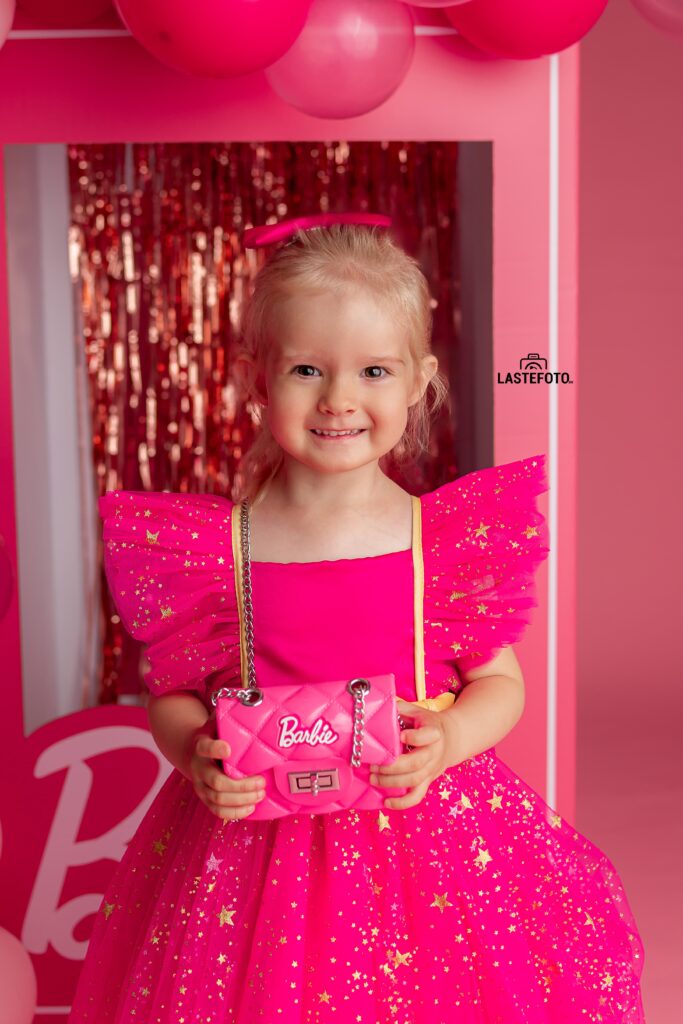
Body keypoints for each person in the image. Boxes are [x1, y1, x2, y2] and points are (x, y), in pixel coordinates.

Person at [68, 215, 645, 1023]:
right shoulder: (217, 550)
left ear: (417, 382)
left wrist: (448, 738)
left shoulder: (437, 544)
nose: (339, 399)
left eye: (373, 370)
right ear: (256, 380)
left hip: (419, 830)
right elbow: (172, 693)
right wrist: (195, 755)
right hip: (250, 853)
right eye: (307, 369)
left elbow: (499, 684)